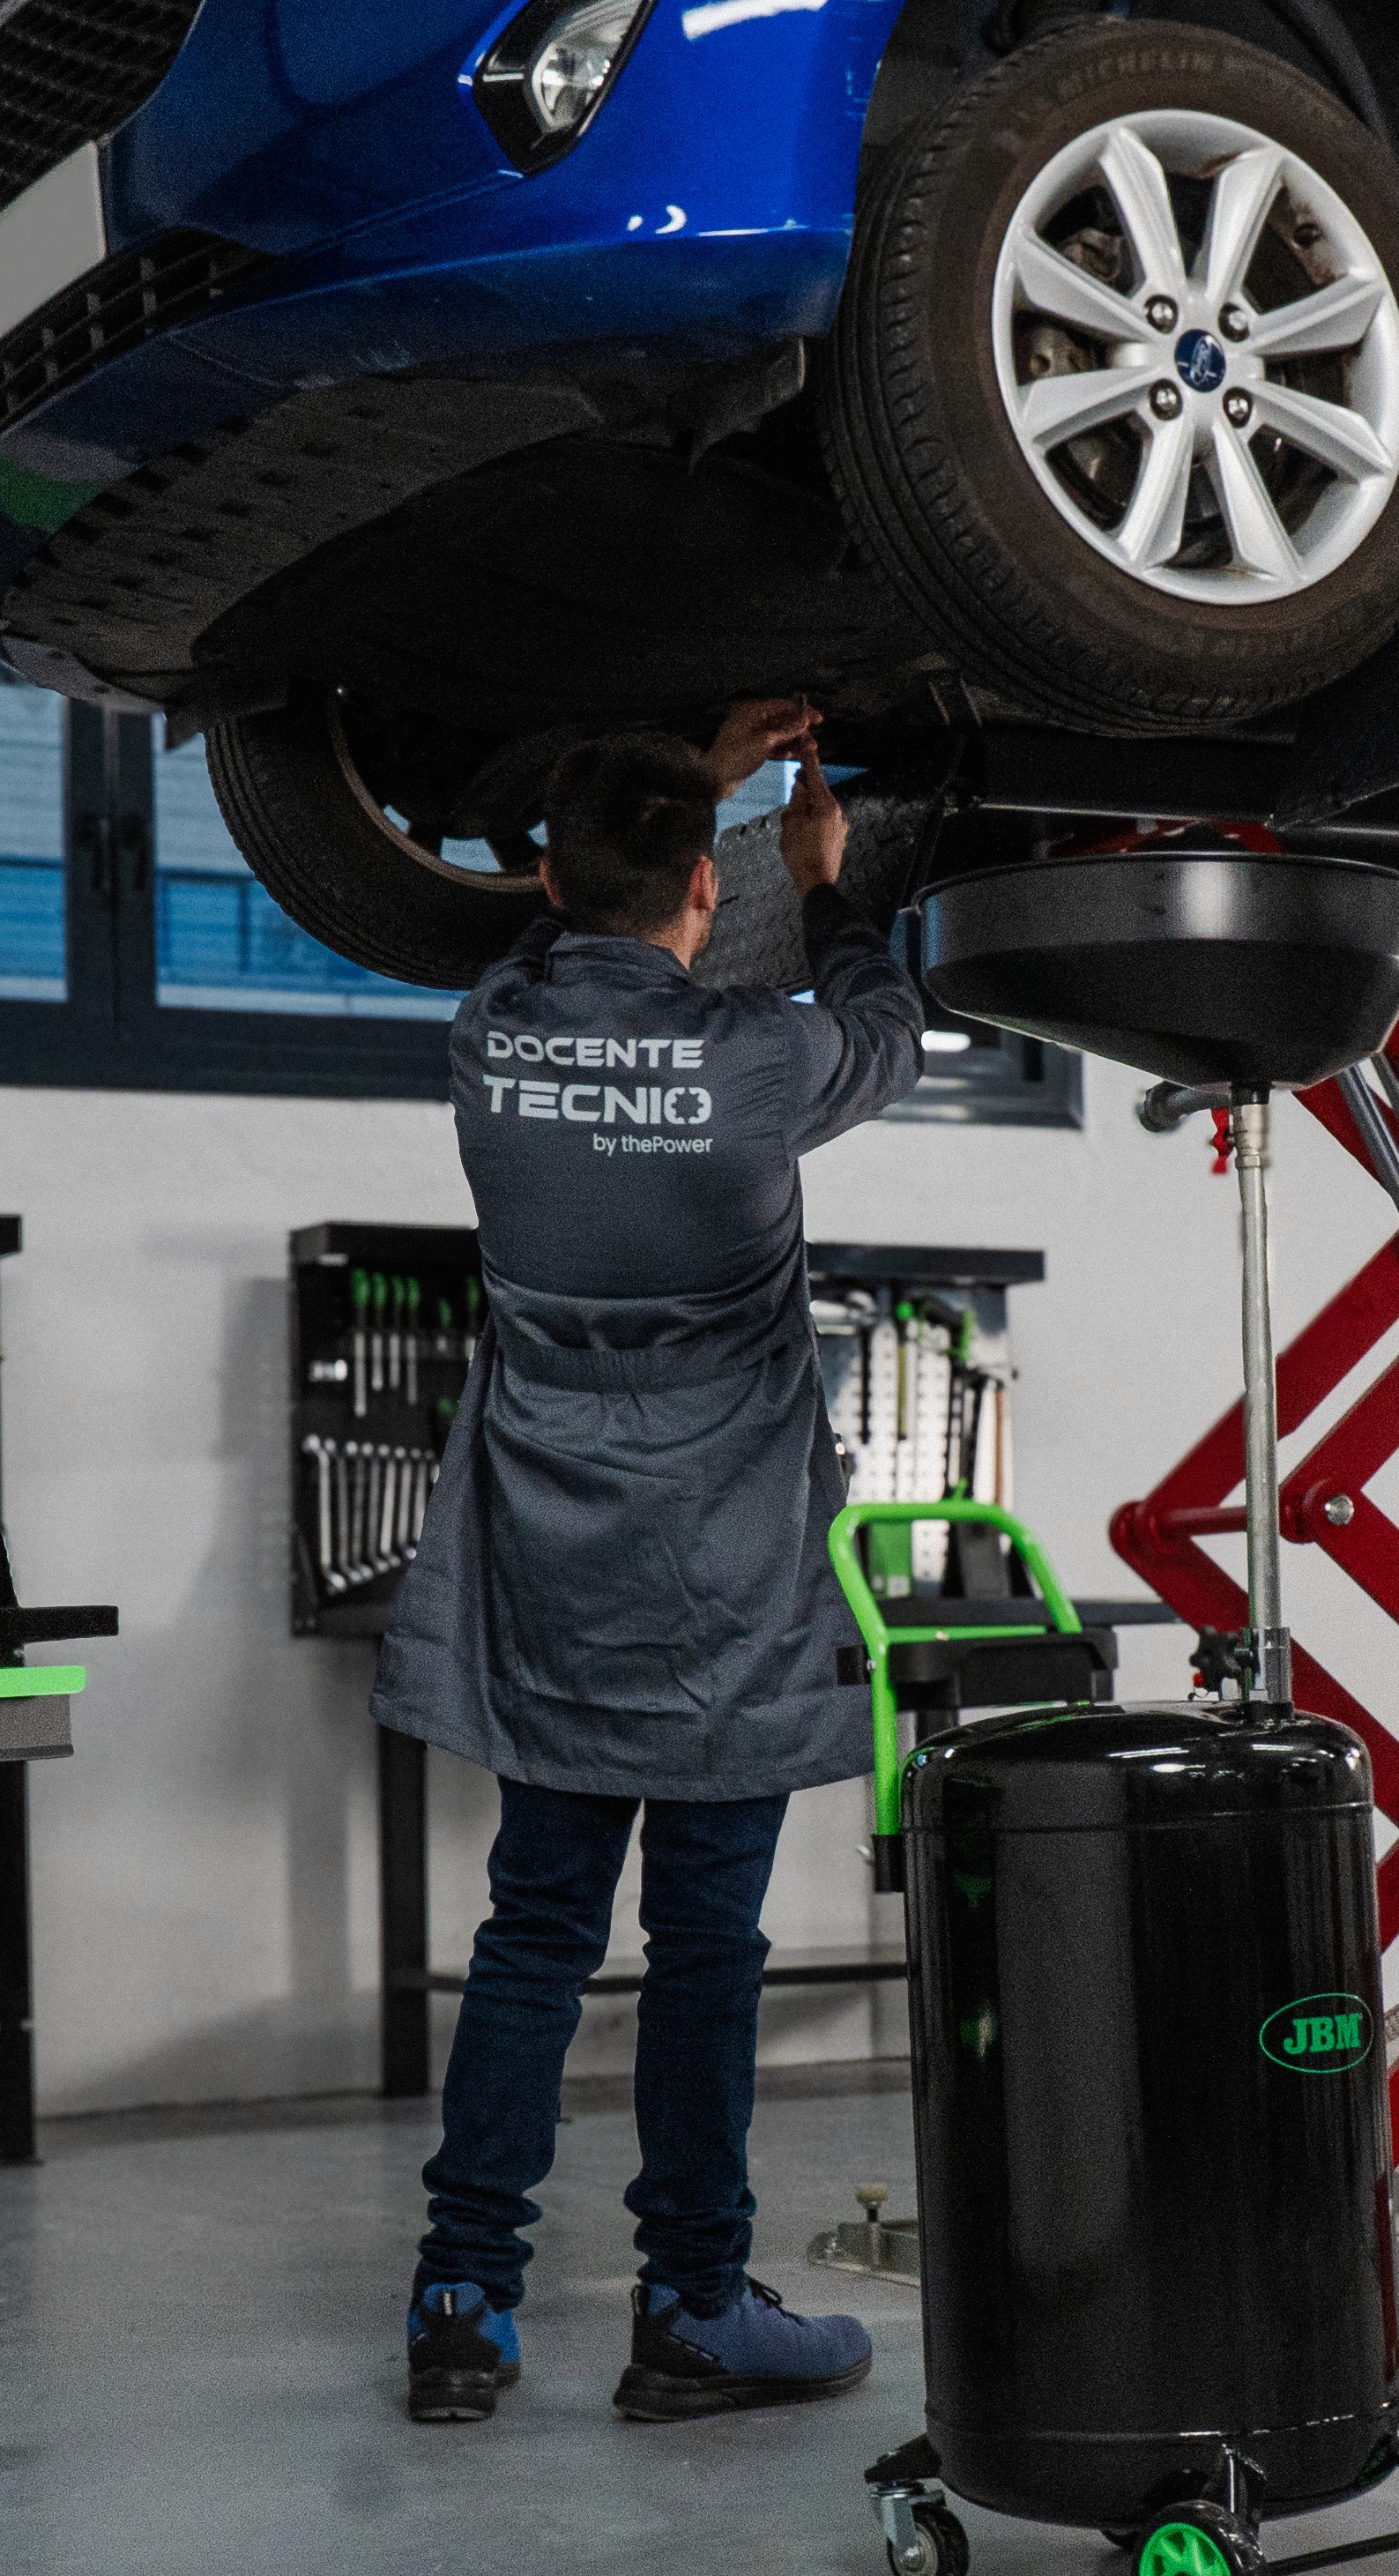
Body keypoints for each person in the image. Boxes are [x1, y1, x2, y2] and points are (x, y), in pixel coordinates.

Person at [375, 699, 928, 2424]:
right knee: (706, 1946)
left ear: (546, 876)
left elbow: (594, 926)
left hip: (552, 1569)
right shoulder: (759, 1058)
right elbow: (886, 1024)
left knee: (536, 1928)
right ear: (710, 890)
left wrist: (683, 760)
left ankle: (461, 2300)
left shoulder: (489, 1032)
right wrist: (819, 875)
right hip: (729, 1577)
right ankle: (694, 2307)